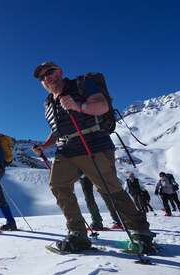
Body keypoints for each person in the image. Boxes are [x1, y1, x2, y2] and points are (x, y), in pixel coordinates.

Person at [31, 61, 155, 254]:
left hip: (93, 143)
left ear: (60, 71)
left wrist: (77, 105)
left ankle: (140, 232)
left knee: (109, 188)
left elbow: (102, 105)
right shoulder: (48, 102)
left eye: (50, 72)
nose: (47, 77)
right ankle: (78, 234)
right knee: (58, 186)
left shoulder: (81, 84)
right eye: (42, 76)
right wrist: (44, 146)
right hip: (66, 149)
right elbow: (56, 130)